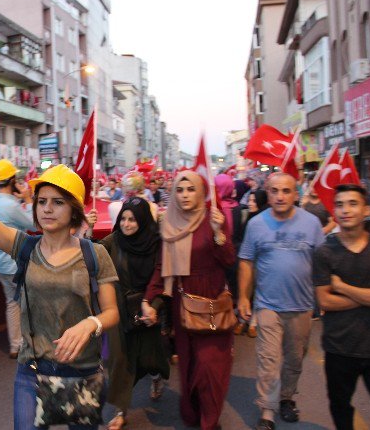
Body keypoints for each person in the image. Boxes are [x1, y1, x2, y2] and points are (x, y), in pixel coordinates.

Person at [0, 122, 119, 429]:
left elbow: (113, 312)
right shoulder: (23, 246)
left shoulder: (94, 254)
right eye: (42, 201)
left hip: (83, 371)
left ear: (74, 211)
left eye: (57, 202)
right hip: (32, 372)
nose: (47, 209)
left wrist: (91, 324)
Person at [141, 171, 234, 430]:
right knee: (190, 366)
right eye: (180, 190)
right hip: (182, 304)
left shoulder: (213, 219)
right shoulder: (168, 222)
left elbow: (228, 260)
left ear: (201, 192)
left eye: (190, 189)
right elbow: (161, 266)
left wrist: (219, 234)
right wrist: (149, 298)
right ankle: (195, 413)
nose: (184, 195)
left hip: (212, 302)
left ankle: (210, 420)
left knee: (210, 368)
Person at [238, 173, 325, 430]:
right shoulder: (256, 224)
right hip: (268, 305)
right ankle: (267, 409)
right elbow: (246, 261)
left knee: (295, 358)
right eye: (275, 190)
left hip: (302, 306)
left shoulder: (312, 223)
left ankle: (286, 397)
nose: (280, 196)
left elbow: (321, 263)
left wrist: (324, 298)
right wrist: (243, 297)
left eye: (286, 191)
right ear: (268, 192)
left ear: (296, 194)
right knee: (268, 359)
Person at [101, 197, 168, 430]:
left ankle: (156, 377)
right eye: (123, 219)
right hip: (119, 310)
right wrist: (86, 229)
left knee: (150, 357)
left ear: (143, 221)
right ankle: (121, 411)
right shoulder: (114, 240)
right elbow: (92, 253)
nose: (127, 224)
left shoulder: (156, 243)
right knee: (120, 361)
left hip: (148, 306)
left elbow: (161, 278)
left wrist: (154, 305)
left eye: (132, 219)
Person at [313, 184, 370, 430]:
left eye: (352, 203)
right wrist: (368, 297)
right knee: (340, 407)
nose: (345, 210)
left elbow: (334, 296)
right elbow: (325, 301)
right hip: (339, 347)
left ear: (367, 209)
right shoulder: (324, 252)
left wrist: (343, 287)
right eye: (339, 204)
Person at [0, 158, 35, 359]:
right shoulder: (10, 205)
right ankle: (27, 345)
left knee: (12, 304)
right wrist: (29, 200)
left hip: (0, 262)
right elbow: (33, 223)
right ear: (12, 179)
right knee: (26, 304)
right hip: (16, 263)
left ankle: (16, 345)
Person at [233, 189, 268, 338]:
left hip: (261, 262)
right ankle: (242, 320)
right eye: (249, 200)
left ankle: (253, 323)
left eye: (254, 201)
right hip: (247, 261)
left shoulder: (266, 220)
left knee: (258, 292)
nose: (250, 203)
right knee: (245, 290)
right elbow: (239, 237)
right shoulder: (245, 216)